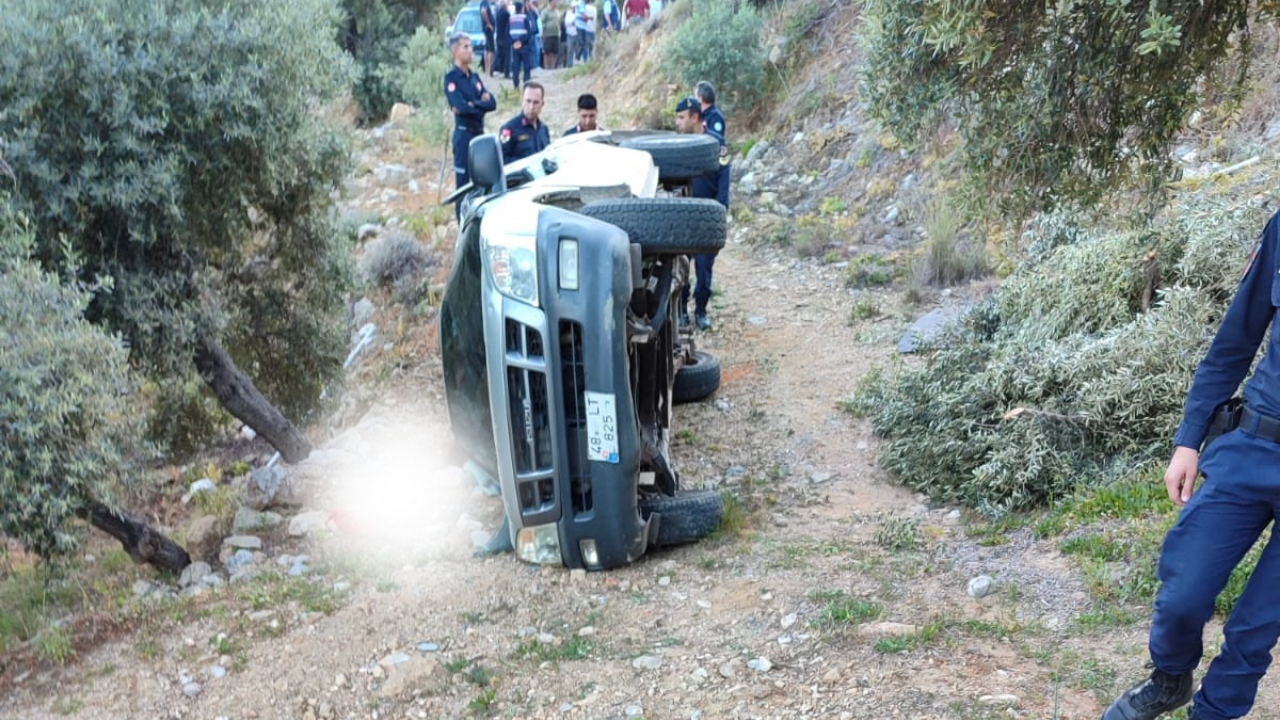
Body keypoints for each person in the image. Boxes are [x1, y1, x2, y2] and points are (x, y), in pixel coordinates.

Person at [1098, 212, 1280, 720]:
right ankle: (1169, 678)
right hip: (1252, 448)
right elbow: (1234, 342)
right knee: (1183, 593)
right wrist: (1189, 440)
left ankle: (1214, 713)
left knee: (1254, 627)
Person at [444, 31, 497, 215]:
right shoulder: (451, 78)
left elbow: (492, 103)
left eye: (471, 46)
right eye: (465, 47)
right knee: (464, 185)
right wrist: (478, 104)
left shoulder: (474, 77)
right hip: (464, 136)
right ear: (455, 51)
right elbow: (460, 107)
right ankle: (462, 224)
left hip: (479, 134)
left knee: (482, 181)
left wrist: (474, 104)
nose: (470, 50)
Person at [499, 82, 550, 162]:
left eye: (536, 102)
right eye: (528, 101)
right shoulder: (509, 129)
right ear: (522, 101)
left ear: (542, 104)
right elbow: (502, 160)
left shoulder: (543, 129)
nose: (531, 107)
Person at [508, 0, 534, 89]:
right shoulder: (524, 17)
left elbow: (507, 32)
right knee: (526, 65)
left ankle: (515, 84)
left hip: (515, 46)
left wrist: (513, 42)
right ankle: (526, 83)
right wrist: (521, 41)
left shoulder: (511, 18)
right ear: (522, 8)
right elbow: (529, 32)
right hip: (524, 45)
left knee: (516, 65)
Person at [539, 0, 560, 70]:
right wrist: (543, 33)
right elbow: (542, 22)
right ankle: (546, 67)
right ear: (550, 2)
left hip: (556, 34)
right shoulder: (545, 12)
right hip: (548, 34)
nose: (556, 3)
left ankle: (552, 67)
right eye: (555, 1)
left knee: (554, 51)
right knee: (547, 51)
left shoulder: (557, 11)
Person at [479, 0, 497, 75]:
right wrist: (489, 23)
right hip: (488, 29)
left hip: (487, 30)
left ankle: (486, 70)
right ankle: (489, 70)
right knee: (491, 50)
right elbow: (483, 11)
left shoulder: (485, 2)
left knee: (487, 49)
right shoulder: (485, 2)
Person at [495, 0, 511, 78]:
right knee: (507, 56)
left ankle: (492, 68)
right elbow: (510, 21)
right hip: (505, 37)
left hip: (499, 36)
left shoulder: (498, 13)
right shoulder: (506, 14)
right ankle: (507, 73)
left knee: (499, 55)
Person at [561, 3, 578, 68]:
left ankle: (576, 64)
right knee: (570, 50)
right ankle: (569, 65)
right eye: (573, 7)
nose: (574, 8)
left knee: (577, 50)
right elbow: (566, 24)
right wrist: (572, 23)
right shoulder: (568, 14)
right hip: (570, 34)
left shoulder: (579, 13)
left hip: (578, 33)